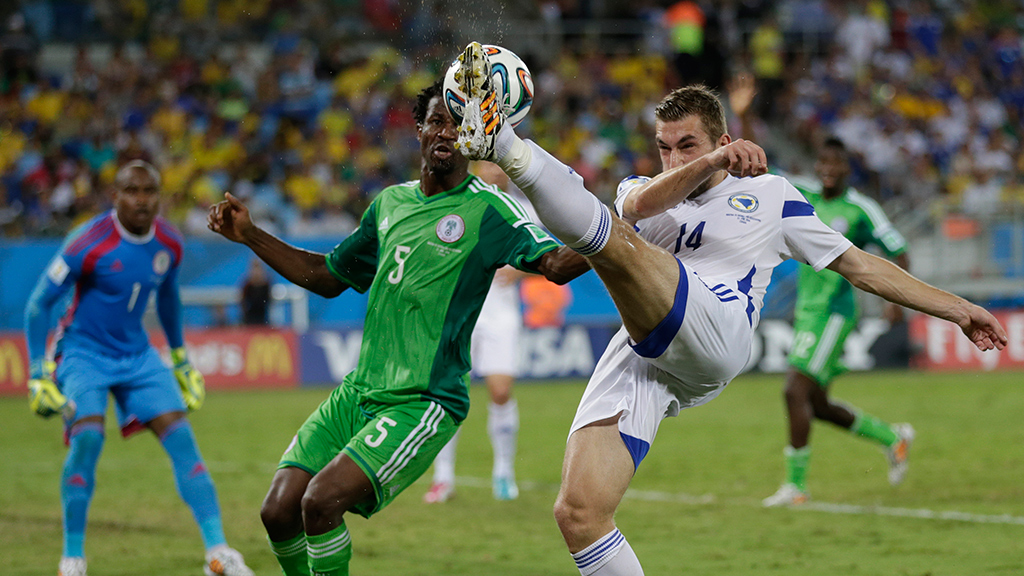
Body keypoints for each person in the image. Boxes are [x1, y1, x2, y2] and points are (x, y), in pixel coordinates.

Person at [453, 41, 1006, 576]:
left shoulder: (772, 196)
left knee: (618, 245)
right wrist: (708, 162)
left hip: (718, 329)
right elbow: (642, 205)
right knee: (578, 515)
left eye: (687, 145)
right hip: (646, 348)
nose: (671, 158)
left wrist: (957, 308)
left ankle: (503, 142)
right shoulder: (641, 190)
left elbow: (859, 265)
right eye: (664, 146)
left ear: (721, 139)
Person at [206, 79, 586, 576]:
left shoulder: (491, 209)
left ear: (476, 137)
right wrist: (251, 234)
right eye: (435, 121)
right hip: (358, 393)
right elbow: (325, 278)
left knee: (320, 504)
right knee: (277, 510)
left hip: (423, 401)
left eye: (459, 123)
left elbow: (555, 263)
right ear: (420, 131)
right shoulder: (389, 205)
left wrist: (617, 231)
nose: (445, 131)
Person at [23, 161, 254, 576]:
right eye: (133, 191)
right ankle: (72, 558)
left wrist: (181, 359)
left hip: (137, 355)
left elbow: (168, 301)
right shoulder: (86, 242)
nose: (142, 200)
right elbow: (38, 304)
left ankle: (218, 553)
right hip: (83, 353)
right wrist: (38, 372)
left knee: (183, 439)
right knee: (88, 441)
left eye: (150, 191)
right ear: (116, 196)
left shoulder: (169, 241)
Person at [763, 137, 913, 507]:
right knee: (816, 403)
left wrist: (895, 298)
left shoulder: (862, 208)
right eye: (823, 162)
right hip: (806, 312)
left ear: (847, 169)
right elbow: (764, 170)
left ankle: (796, 488)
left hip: (834, 313)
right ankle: (892, 438)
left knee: (793, 391)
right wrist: (746, 117)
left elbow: (899, 250)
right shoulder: (806, 194)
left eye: (836, 164)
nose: (828, 169)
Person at [424, 162, 530, 504]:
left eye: (500, 166)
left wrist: (522, 272)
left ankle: (503, 472)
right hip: (461, 313)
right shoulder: (456, 205)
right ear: (473, 169)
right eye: (488, 165)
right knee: (447, 393)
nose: (496, 171)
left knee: (500, 392)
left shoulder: (524, 209)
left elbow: (553, 256)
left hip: (500, 315)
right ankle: (443, 478)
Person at [240, 258, 271, 325]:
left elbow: (269, 302)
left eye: (258, 269)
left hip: (263, 319)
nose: (256, 272)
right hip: (249, 320)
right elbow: (243, 304)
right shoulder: (247, 286)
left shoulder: (266, 285)